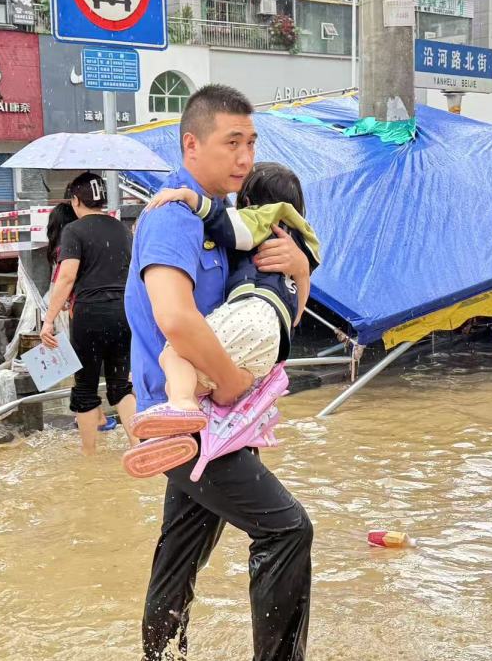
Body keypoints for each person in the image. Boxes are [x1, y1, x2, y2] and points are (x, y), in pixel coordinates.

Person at [124, 84, 352, 661]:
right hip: (197, 411)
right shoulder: (172, 216)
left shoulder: (226, 221)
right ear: (191, 144)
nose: (246, 156)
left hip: (202, 417)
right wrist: (230, 381)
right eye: (233, 142)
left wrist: (299, 268)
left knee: (180, 552)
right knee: (286, 531)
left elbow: (277, 305)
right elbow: (173, 317)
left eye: (252, 142)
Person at [123, 162, 320, 477]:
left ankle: (180, 408)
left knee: (175, 354)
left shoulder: (252, 221)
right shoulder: (303, 239)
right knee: (189, 527)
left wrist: (190, 197)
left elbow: (225, 225)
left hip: (249, 315)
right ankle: (172, 432)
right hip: (273, 342)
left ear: (248, 202)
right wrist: (301, 271)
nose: (241, 158)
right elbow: (295, 316)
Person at [39, 173, 138, 456]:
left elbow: (66, 277)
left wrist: (48, 320)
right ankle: (137, 445)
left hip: (90, 315)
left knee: (85, 387)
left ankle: (89, 455)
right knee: (121, 385)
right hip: (123, 313)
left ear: (75, 200)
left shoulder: (74, 231)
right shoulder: (121, 229)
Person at [44, 200, 117, 434]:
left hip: (81, 313)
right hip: (109, 311)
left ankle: (92, 420)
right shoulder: (98, 238)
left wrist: (49, 319)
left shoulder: (69, 243)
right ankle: (101, 416)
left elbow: (64, 280)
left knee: (84, 376)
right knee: (113, 376)